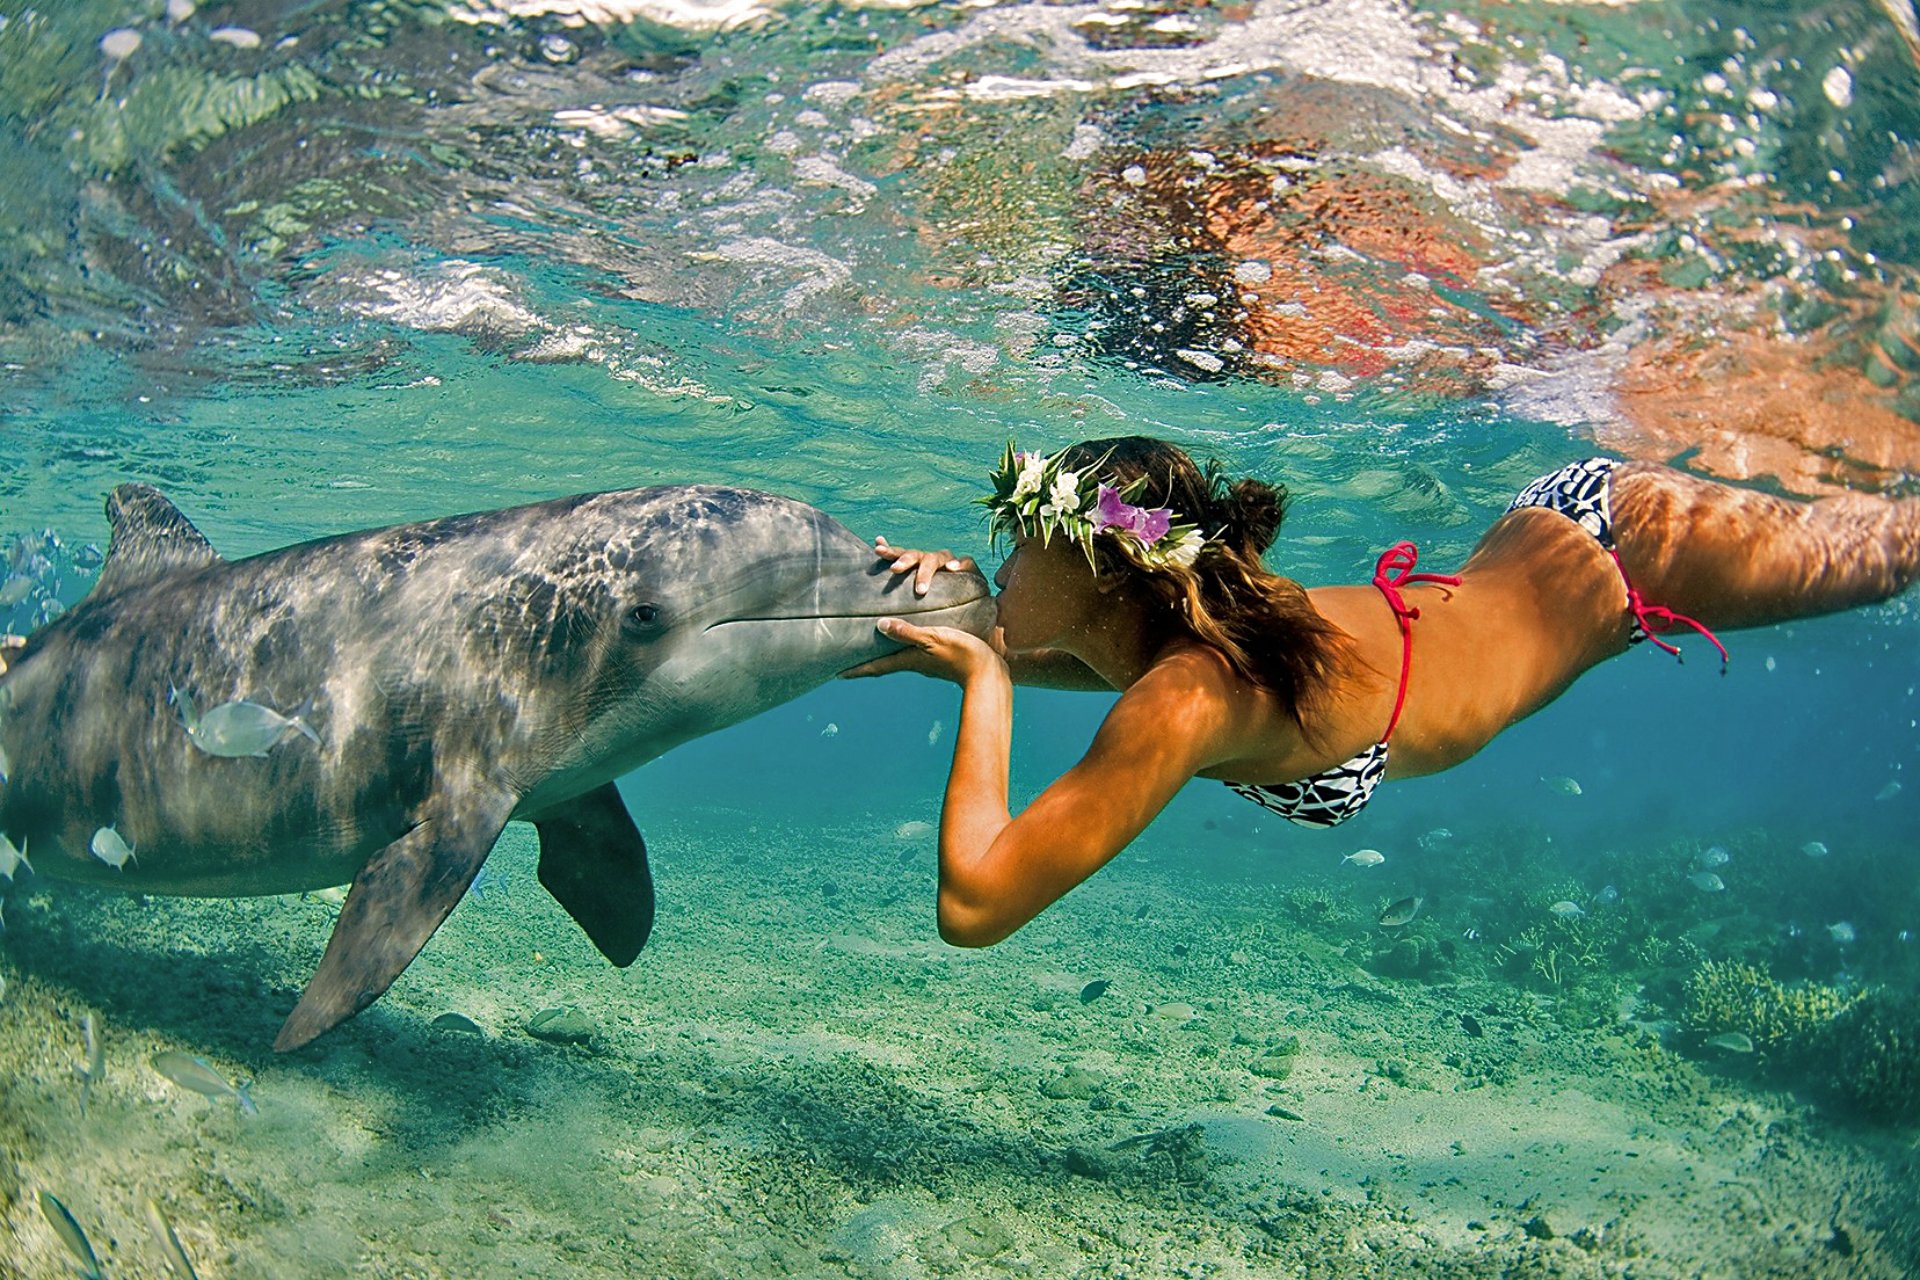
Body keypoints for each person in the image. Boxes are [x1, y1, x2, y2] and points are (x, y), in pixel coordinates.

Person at [845, 437, 1920, 947]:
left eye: (1023, 546)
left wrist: (983, 677)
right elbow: (1044, 638)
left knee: (1897, 540)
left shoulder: (1184, 696)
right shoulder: (1179, 621)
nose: (1005, 567)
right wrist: (931, 609)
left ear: (1106, 570)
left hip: (1632, 550)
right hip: (1558, 527)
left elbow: (976, 904)